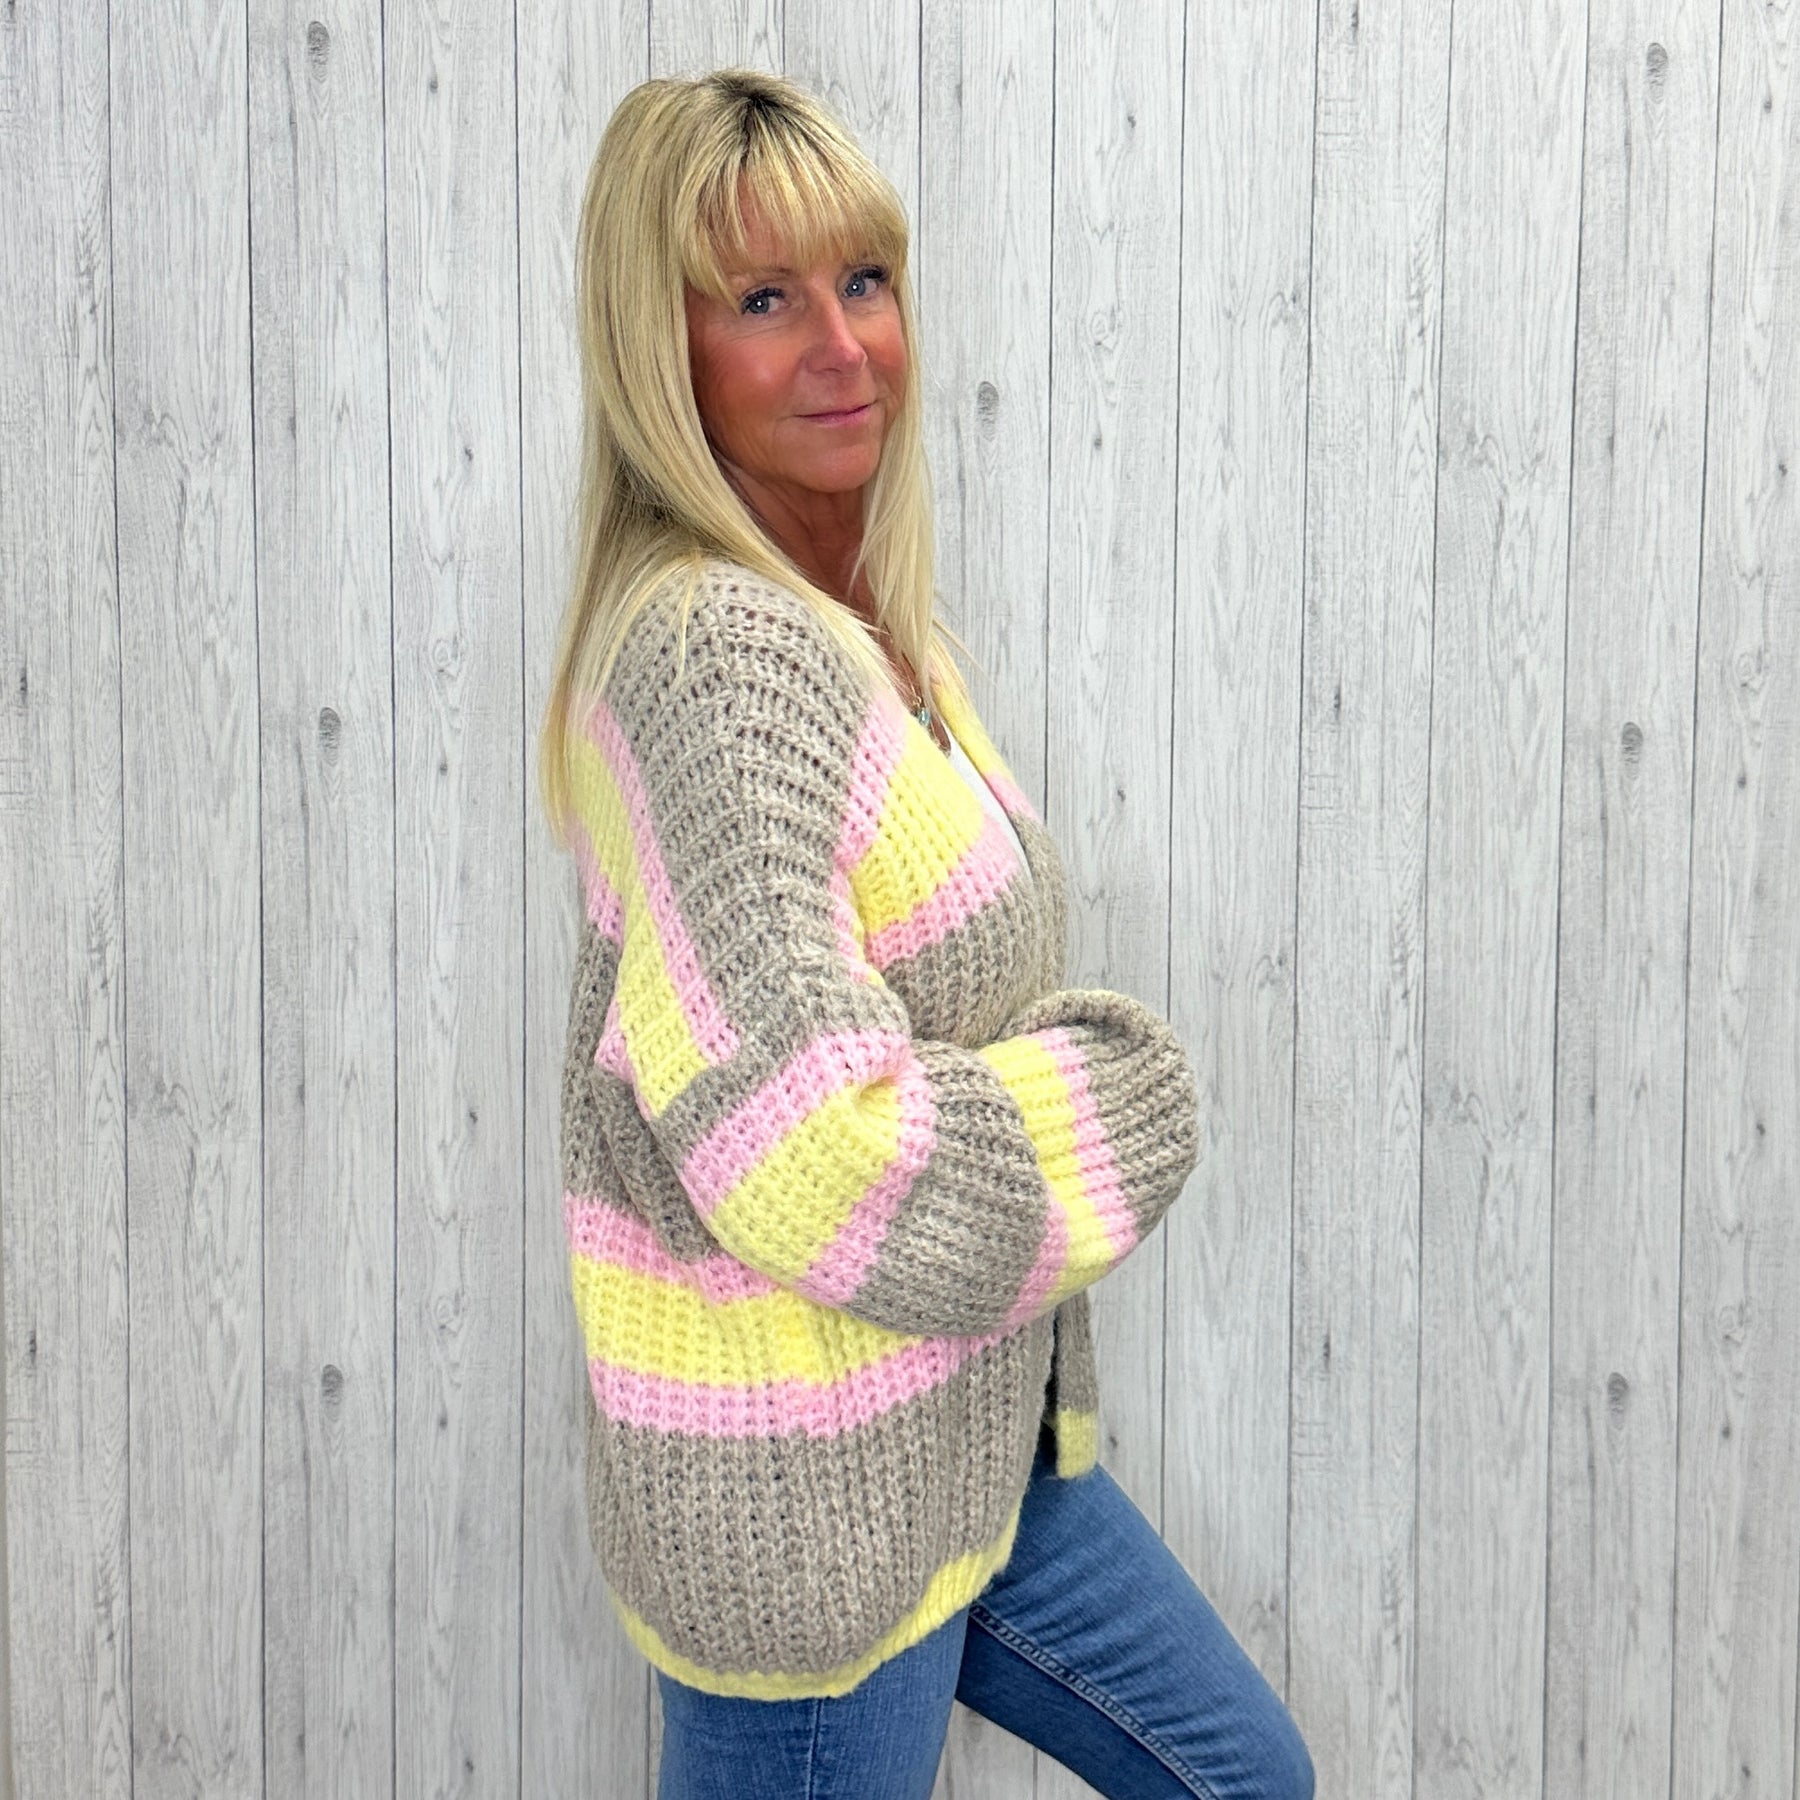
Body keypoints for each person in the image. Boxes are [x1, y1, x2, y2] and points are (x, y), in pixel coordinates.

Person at [537, 66, 1314, 1800]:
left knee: (1247, 1777)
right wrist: (1112, 1110)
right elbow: (806, 1146)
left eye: (863, 281)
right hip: (814, 1520)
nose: (843, 348)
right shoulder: (719, 664)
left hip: (968, 1452)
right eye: (763, 300)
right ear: (664, 353)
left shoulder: (866, 627)